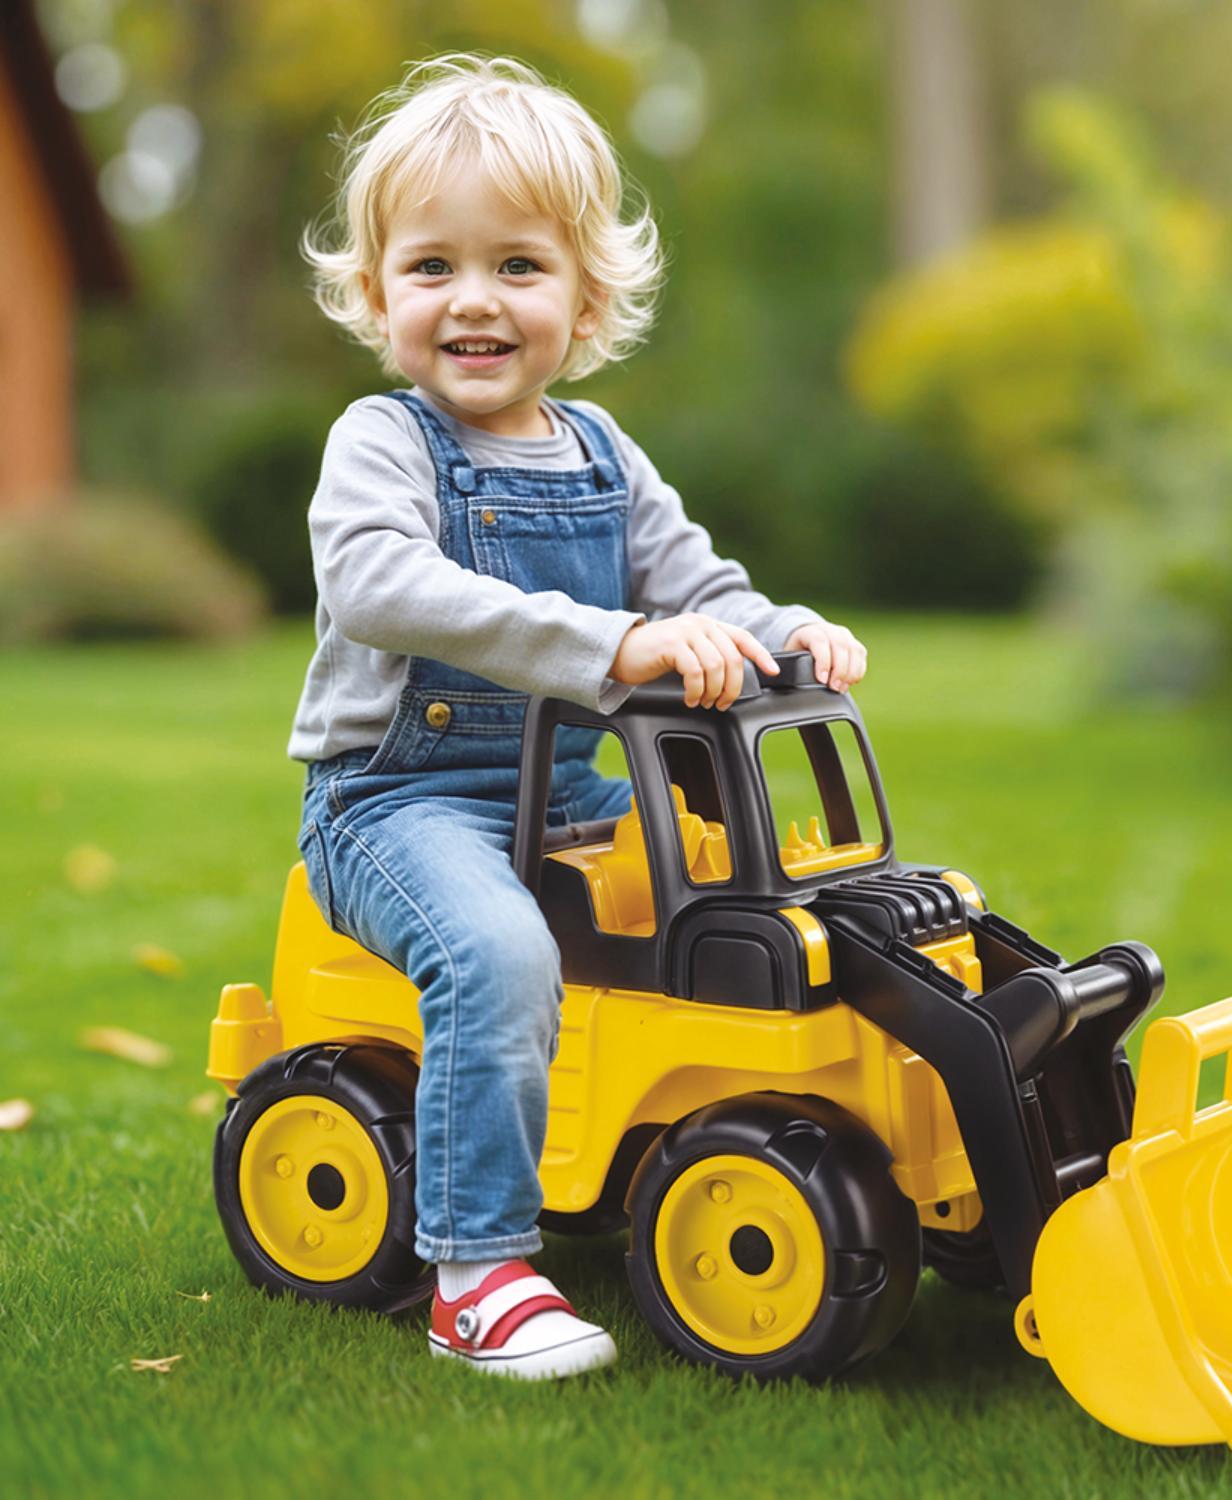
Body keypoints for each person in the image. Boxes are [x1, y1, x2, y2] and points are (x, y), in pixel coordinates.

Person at [291, 53, 867, 1380]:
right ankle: (477, 1273)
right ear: (377, 295)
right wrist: (610, 643)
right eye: (431, 266)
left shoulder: (607, 455)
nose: (473, 299)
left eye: (518, 265)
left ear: (586, 297)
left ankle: (706, 1131)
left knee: (757, 895)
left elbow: (700, 589)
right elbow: (381, 585)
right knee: (497, 952)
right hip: (396, 803)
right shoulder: (381, 444)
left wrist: (783, 632)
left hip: (568, 795)